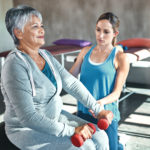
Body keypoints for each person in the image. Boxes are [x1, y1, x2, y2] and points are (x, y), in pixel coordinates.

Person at [1, 5, 113, 150]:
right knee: (87, 146)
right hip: (26, 130)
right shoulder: (14, 66)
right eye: (35, 26)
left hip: (54, 117)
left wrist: (98, 109)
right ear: (19, 33)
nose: (42, 30)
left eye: (42, 25)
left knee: (100, 135)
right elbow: (28, 118)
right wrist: (71, 130)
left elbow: (71, 84)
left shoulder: (45, 55)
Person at [70, 12, 130, 150]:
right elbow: (69, 78)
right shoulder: (85, 51)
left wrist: (99, 103)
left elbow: (116, 93)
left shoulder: (120, 57)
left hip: (105, 115)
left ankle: (120, 144)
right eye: (98, 30)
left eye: (106, 32)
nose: (100, 35)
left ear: (115, 34)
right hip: (83, 113)